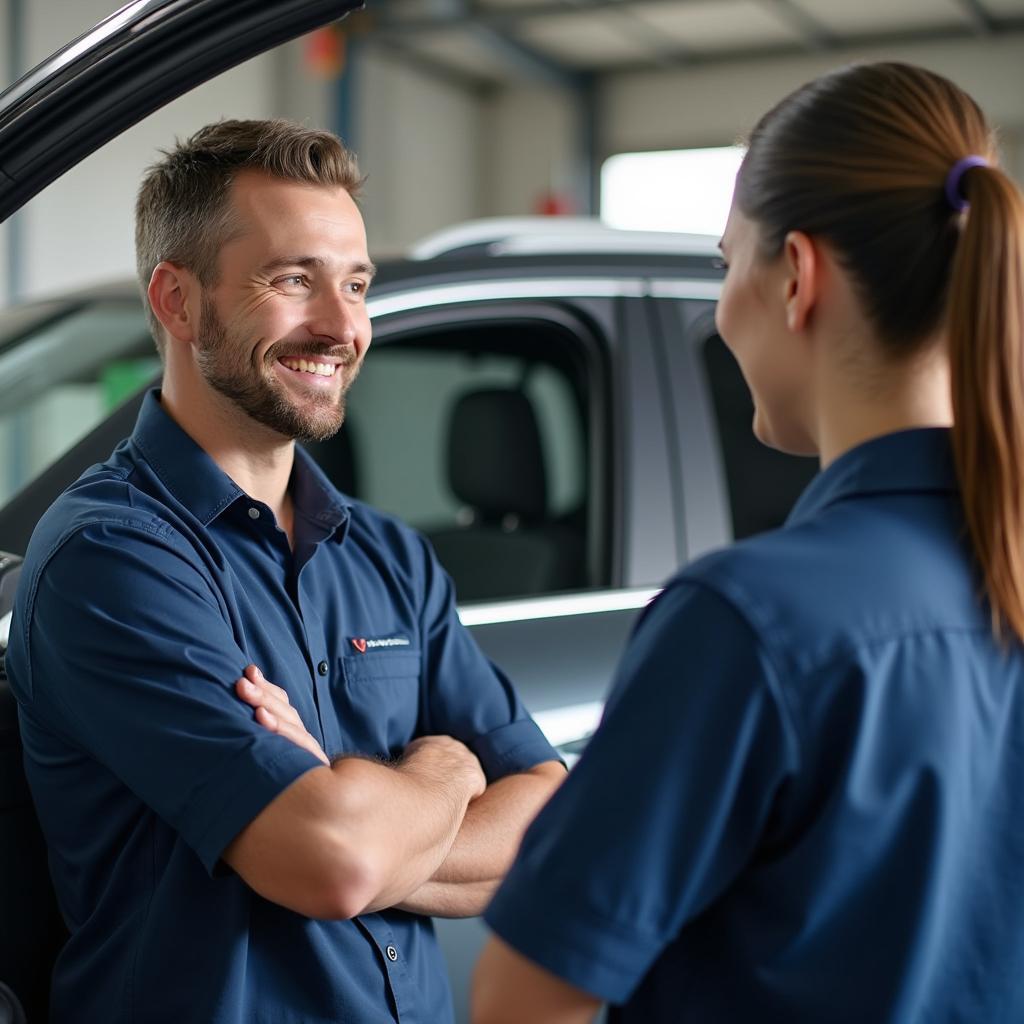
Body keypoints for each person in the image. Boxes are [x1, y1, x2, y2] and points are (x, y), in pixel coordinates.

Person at [472, 61, 1024, 1023]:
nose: (727, 304)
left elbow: (526, 1002)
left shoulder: (752, 624)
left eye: (730, 263)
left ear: (798, 277)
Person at [5, 119, 564, 1023]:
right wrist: (448, 775)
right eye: (293, 280)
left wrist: (364, 818)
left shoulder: (388, 555)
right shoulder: (110, 560)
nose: (342, 327)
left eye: (355, 284)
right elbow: (332, 863)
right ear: (178, 302)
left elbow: (551, 831)